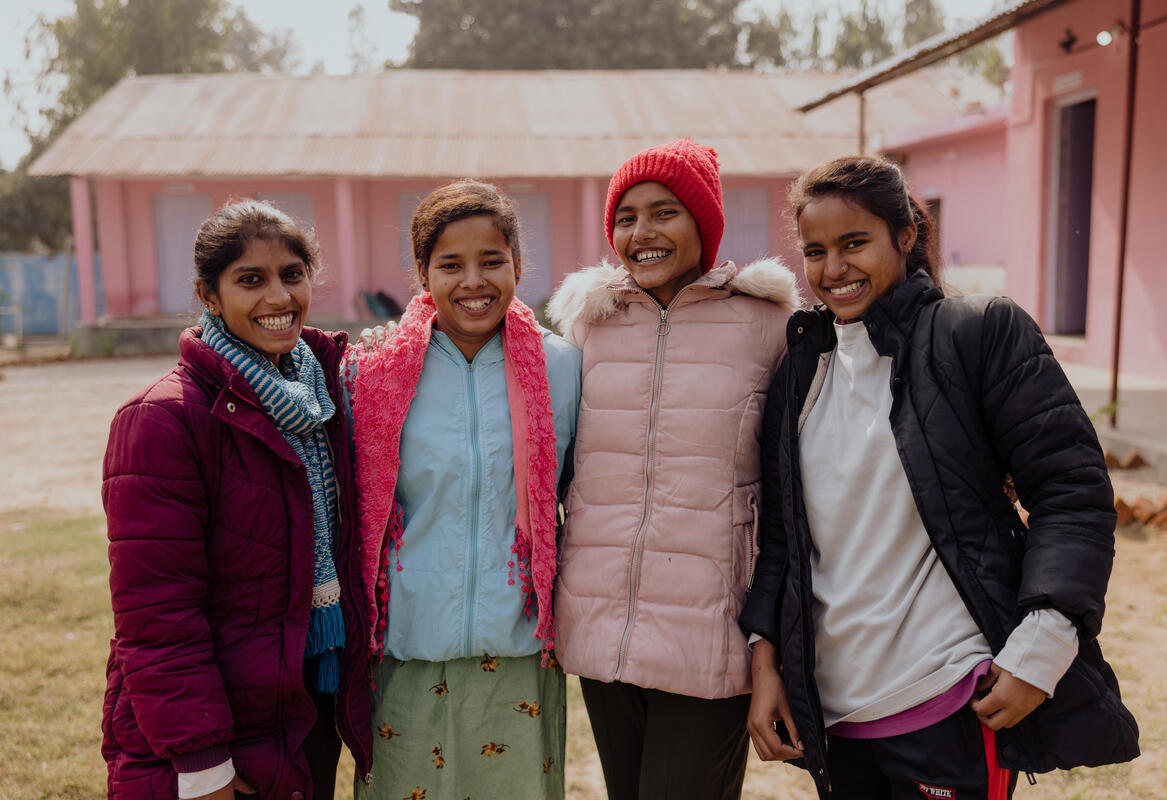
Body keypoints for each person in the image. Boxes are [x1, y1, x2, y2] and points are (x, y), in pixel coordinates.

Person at [739, 155, 1139, 799]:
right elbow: (783, 540)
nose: (832, 270)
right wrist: (766, 665)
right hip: (836, 712)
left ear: (906, 236)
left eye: (854, 243)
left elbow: (1071, 493)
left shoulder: (978, 332)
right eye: (815, 251)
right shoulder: (800, 372)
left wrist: (1042, 649)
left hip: (951, 693)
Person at [546, 139, 801, 800]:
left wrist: (771, 641)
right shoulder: (588, 329)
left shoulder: (768, 327)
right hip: (603, 630)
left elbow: (789, 497)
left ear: (704, 224)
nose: (642, 232)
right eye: (626, 217)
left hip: (710, 633)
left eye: (665, 212)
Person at [101, 200, 372, 800]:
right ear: (210, 295)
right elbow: (157, 613)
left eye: (292, 275)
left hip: (306, 704)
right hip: (214, 731)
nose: (278, 297)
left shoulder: (327, 393)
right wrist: (202, 763)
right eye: (251, 280)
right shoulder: (162, 419)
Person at [343, 181, 581, 800]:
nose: (473, 281)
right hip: (407, 642)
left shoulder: (563, 368)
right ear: (422, 272)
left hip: (519, 643)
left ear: (519, 266)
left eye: (492, 261)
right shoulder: (375, 373)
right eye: (451, 264)